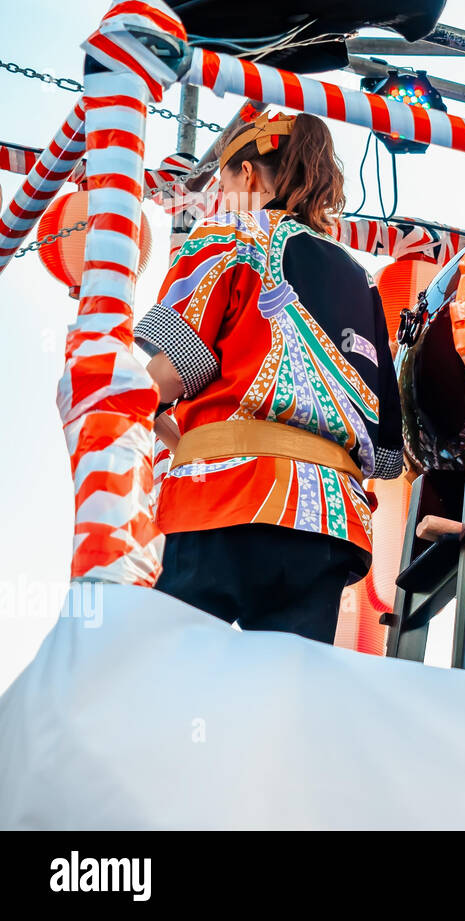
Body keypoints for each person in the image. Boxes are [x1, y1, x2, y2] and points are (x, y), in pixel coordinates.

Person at [134, 110, 405, 642]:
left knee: (168, 678)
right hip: (325, 524)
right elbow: (389, 454)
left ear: (250, 176)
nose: (218, 196)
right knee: (284, 702)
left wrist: (113, 391)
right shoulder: (362, 282)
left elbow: (174, 371)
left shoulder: (229, 239)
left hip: (223, 501)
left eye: (224, 181)